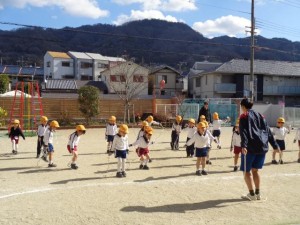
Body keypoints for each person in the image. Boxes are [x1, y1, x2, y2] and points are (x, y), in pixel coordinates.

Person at [239, 98, 279, 201]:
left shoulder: (244, 116)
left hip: (250, 148)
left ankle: (251, 194)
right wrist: (274, 145)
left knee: (247, 172)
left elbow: (243, 133)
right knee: (255, 171)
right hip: (262, 147)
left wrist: (244, 145)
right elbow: (268, 131)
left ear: (243, 107)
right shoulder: (261, 116)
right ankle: (257, 193)